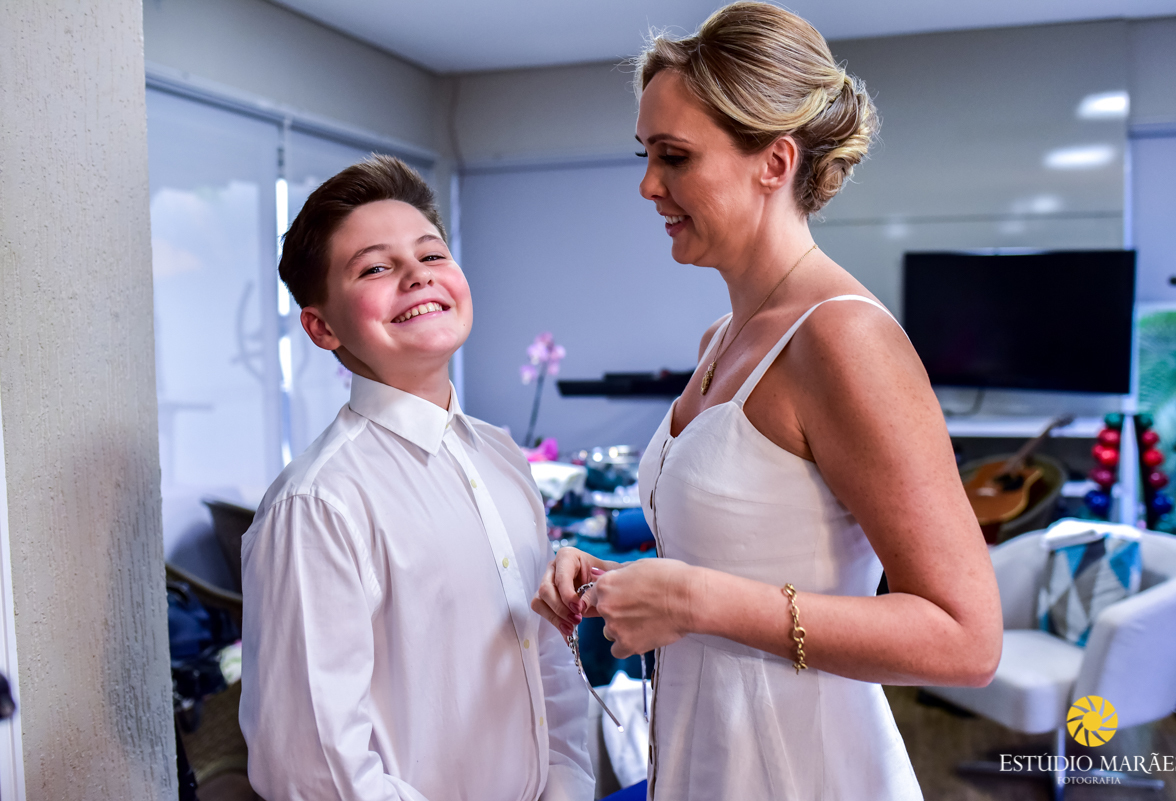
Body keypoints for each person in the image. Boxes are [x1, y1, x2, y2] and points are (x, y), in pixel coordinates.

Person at [532, 4, 1002, 799]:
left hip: (803, 767)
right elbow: (746, 563)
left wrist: (693, 596)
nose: (648, 185)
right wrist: (626, 583)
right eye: (647, 155)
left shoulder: (844, 341)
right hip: (704, 757)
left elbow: (967, 639)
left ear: (775, 162)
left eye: (675, 156)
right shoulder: (723, 336)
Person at [240, 155, 594, 801]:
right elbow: (314, 770)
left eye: (431, 254)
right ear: (322, 327)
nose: (417, 275)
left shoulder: (502, 458)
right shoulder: (318, 505)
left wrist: (567, 785)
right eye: (375, 267)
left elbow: (546, 663)